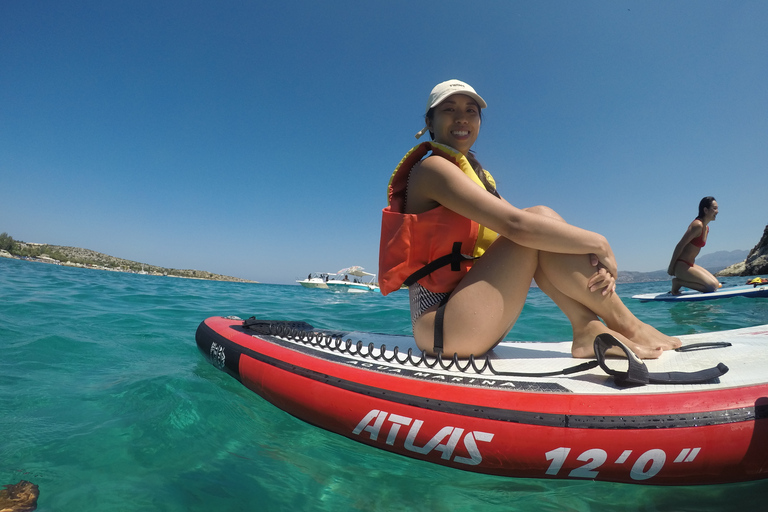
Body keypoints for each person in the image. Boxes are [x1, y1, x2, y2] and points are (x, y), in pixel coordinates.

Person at [379, 79, 681, 360]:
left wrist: (587, 252)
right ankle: (626, 323)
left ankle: (586, 328)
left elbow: (536, 230)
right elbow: (517, 226)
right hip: (442, 328)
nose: (462, 117)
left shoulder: (478, 179)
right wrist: (601, 244)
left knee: (544, 227)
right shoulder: (432, 169)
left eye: (471, 111)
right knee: (536, 222)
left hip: (473, 317)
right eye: (449, 109)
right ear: (430, 123)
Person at [667, 197, 721, 295]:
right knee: (711, 287)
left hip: (690, 265)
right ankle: (678, 282)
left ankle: (680, 282)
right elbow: (680, 245)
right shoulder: (697, 225)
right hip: (681, 266)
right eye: (714, 208)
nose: (717, 211)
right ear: (705, 210)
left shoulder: (706, 228)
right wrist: (671, 267)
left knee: (716, 284)